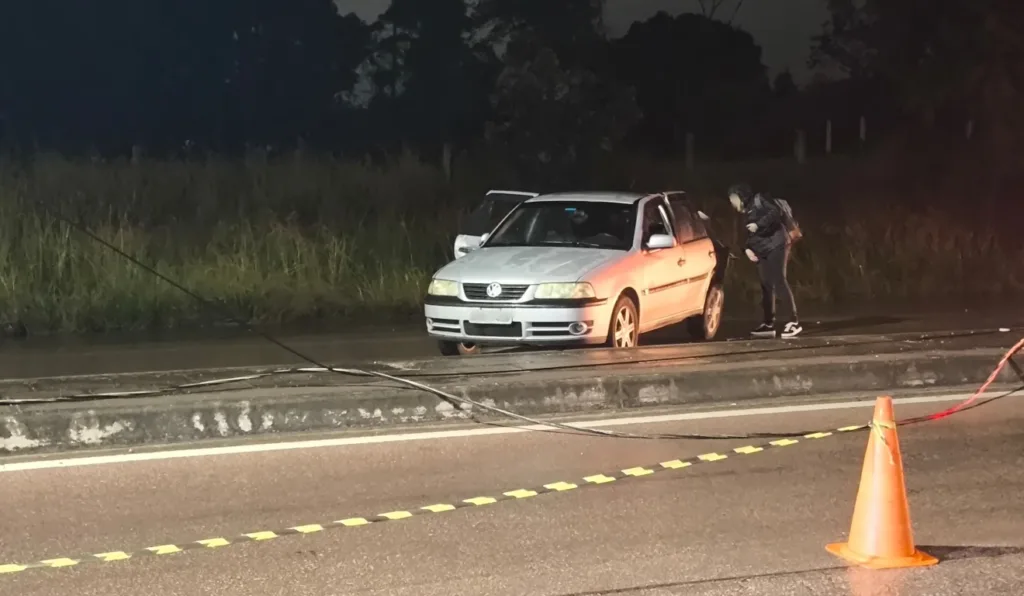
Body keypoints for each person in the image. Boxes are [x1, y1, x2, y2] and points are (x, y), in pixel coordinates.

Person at [728, 183, 802, 339]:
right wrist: (747, 249)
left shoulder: (759, 199)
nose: (732, 203)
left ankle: (793, 322)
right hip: (761, 250)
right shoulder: (745, 211)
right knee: (766, 285)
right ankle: (768, 324)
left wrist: (758, 224)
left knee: (779, 280)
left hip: (777, 244)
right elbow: (746, 234)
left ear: (741, 196)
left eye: (734, 198)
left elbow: (776, 212)